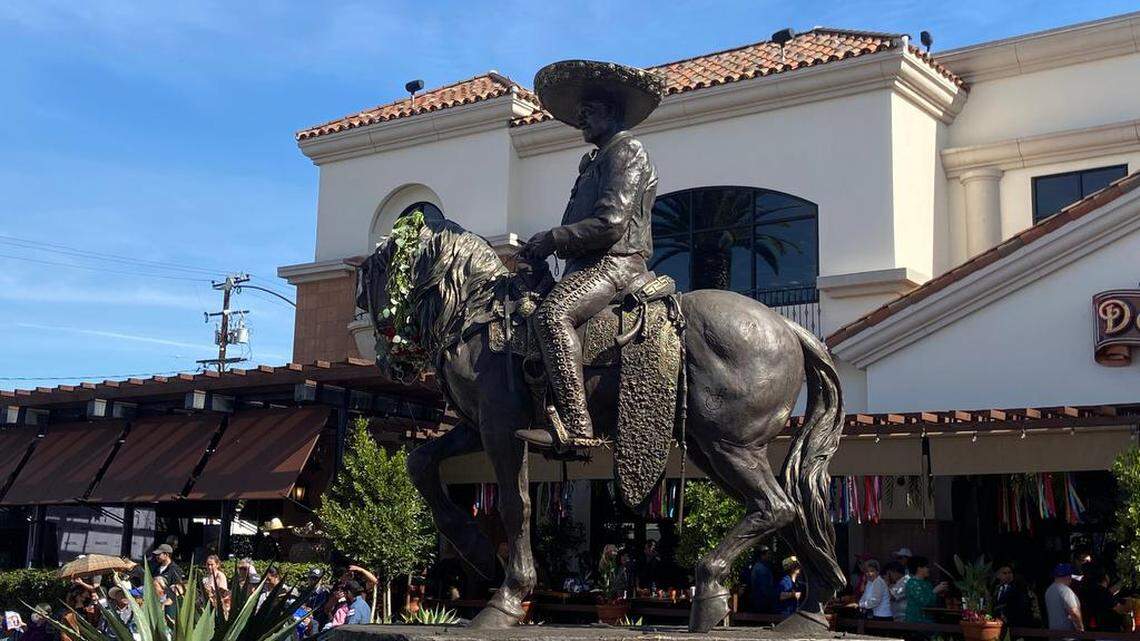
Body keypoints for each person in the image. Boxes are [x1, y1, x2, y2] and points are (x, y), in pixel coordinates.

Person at [513, 59, 664, 450]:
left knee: (551, 315)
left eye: (588, 113)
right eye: (578, 114)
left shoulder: (627, 150)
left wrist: (554, 238)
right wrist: (542, 250)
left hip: (617, 265)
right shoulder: (596, 160)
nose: (581, 121)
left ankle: (577, 427)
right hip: (588, 266)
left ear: (610, 112)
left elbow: (611, 224)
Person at [1078, 564, 1126, 632]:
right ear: (1106, 577)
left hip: (1089, 629)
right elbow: (1118, 609)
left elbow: (1110, 592)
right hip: (1105, 631)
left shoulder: (1085, 589)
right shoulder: (1102, 592)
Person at [903, 556, 948, 623]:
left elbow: (932, 603)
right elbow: (924, 602)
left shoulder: (927, 583)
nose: (928, 569)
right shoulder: (912, 583)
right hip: (917, 621)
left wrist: (940, 594)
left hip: (929, 620)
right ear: (919, 568)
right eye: (926, 567)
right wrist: (935, 591)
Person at [1044, 563, 1083, 634]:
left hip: (1053, 634)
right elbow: (1074, 612)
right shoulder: (1065, 590)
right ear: (1068, 576)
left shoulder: (1049, 590)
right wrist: (1080, 628)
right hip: (1068, 635)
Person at [748, 546, 778, 613]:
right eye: (768, 554)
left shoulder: (763, 567)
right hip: (762, 601)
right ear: (762, 555)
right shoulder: (761, 568)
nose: (770, 556)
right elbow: (764, 586)